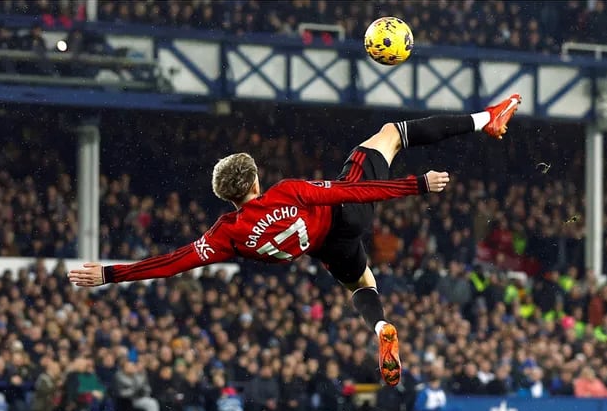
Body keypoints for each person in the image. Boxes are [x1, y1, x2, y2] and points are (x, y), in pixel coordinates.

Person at [69, 94, 522, 387]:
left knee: (362, 284)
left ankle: (380, 328)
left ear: (227, 197)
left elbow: (172, 262)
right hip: (344, 216)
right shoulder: (286, 192)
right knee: (391, 134)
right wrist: (415, 185)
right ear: (255, 179)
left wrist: (112, 274)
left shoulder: (226, 234)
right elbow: (351, 191)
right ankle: (487, 119)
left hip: (323, 249)